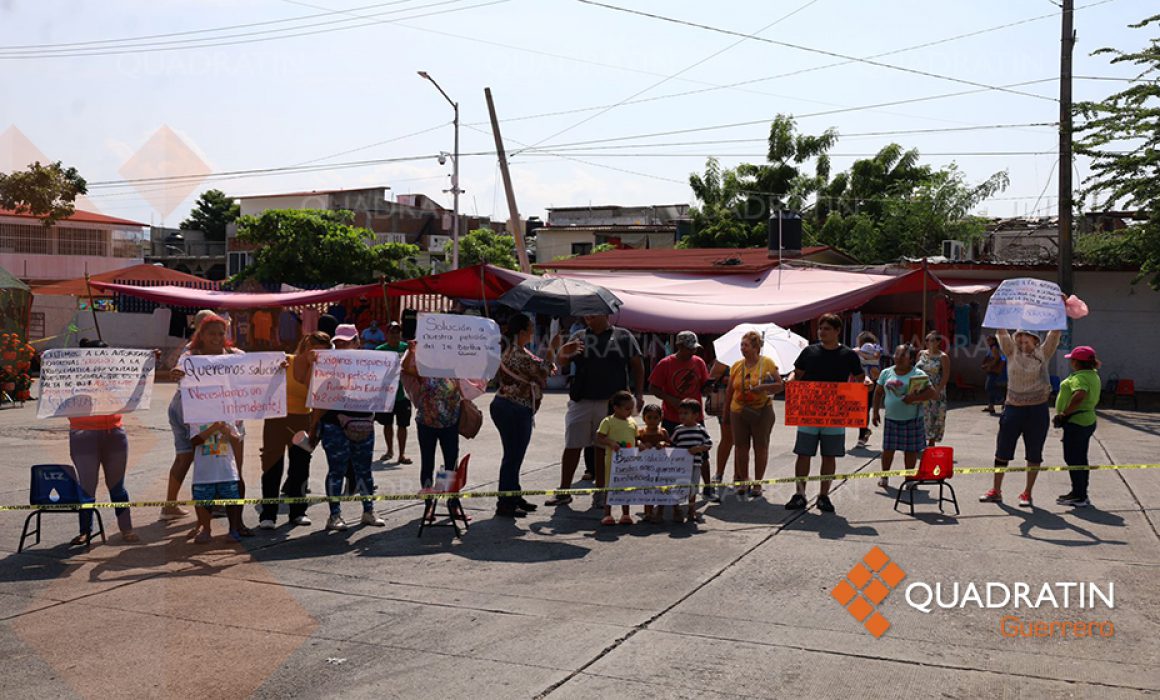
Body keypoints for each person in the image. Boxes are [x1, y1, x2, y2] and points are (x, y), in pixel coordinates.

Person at [546, 314, 644, 508]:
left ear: (606, 313)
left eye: (593, 312)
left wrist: (639, 395)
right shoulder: (579, 335)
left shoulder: (624, 336)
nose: (588, 316)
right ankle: (564, 491)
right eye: (586, 312)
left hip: (611, 402)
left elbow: (637, 366)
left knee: (602, 449)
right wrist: (563, 352)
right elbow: (561, 362)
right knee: (572, 445)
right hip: (581, 398)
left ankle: (600, 493)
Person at [163, 313, 245, 521]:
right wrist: (177, 373)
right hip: (196, 414)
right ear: (201, 332)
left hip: (218, 414)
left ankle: (231, 517)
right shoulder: (191, 355)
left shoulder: (233, 354)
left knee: (225, 458)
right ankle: (205, 515)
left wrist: (278, 367)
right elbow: (180, 371)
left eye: (221, 333)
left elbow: (256, 370)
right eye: (211, 333)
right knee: (199, 458)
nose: (216, 337)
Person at [789, 313, 865, 513]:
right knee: (803, 453)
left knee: (829, 455)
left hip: (835, 413)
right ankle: (800, 494)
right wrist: (790, 380)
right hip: (808, 411)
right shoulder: (809, 352)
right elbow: (796, 373)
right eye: (820, 328)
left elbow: (860, 377)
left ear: (837, 331)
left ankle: (824, 495)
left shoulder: (848, 355)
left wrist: (866, 384)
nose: (822, 332)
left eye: (827, 329)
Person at [980, 328, 1062, 507]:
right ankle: (996, 490)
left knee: (1034, 453)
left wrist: (1059, 309)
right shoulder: (1011, 352)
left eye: (1027, 342)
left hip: (1037, 410)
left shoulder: (1043, 353)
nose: (1023, 345)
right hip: (1013, 408)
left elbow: (1054, 335)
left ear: (1035, 341)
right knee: (1002, 450)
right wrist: (1000, 311)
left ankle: (1027, 493)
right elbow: (1001, 334)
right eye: (1020, 341)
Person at [258, 331, 330, 530]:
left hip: (301, 419)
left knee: (300, 466)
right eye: (315, 350)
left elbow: (313, 393)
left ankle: (298, 512)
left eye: (323, 352)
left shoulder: (320, 370)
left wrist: (313, 365)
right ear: (306, 345)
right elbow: (263, 383)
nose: (317, 354)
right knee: (272, 465)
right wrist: (275, 371)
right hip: (276, 418)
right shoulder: (285, 360)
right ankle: (268, 514)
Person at [317, 324, 386, 531]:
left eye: (347, 341)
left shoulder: (370, 364)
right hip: (333, 425)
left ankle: (368, 511)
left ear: (357, 342)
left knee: (364, 470)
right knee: (336, 470)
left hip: (362, 423)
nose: (342, 345)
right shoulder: (324, 363)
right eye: (338, 342)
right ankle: (334, 515)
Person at [69, 339, 138, 544]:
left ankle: (126, 529)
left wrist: (148, 363)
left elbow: (136, 384)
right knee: (87, 487)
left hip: (114, 434)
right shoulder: (71, 376)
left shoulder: (115, 376)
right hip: (83, 436)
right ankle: (85, 531)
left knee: (117, 486)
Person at [401, 341, 470, 524]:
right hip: (426, 423)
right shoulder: (424, 369)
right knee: (427, 465)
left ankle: (452, 504)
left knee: (450, 466)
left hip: (450, 425)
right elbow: (406, 369)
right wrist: (411, 350)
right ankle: (429, 506)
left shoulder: (456, 370)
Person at [491, 313, 550, 518]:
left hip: (510, 407)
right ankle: (505, 502)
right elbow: (543, 372)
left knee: (514, 455)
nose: (533, 331)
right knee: (513, 457)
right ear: (522, 331)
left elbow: (541, 367)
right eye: (531, 327)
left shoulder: (518, 351)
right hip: (513, 408)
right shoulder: (518, 354)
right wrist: (556, 352)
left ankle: (513, 495)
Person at [725, 330, 783, 498]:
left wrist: (763, 387)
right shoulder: (736, 365)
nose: (743, 348)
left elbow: (780, 385)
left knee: (761, 446)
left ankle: (757, 483)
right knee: (741, 447)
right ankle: (744, 480)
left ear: (756, 347)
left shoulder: (768, 364)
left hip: (762, 409)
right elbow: (730, 390)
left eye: (746, 345)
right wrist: (726, 413)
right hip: (739, 410)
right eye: (741, 345)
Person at [873, 344, 938, 489]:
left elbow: (932, 393)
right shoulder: (886, 373)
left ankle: (909, 478)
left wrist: (914, 398)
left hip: (912, 420)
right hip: (891, 419)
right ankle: (884, 476)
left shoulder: (918, 374)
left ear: (910, 358)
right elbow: (878, 392)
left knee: (910, 451)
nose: (898, 358)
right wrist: (875, 412)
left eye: (903, 355)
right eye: (896, 354)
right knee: (888, 449)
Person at [1054, 346, 1101, 508]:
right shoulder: (1093, 375)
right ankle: (1079, 492)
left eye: (1072, 360)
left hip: (1076, 422)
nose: (1071, 362)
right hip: (1087, 420)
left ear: (1077, 362)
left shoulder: (1080, 377)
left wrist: (1064, 414)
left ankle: (1079, 496)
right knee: (1080, 458)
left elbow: (1079, 394)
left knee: (1073, 459)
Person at [188, 420, 249, 543]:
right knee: (203, 501)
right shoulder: (196, 419)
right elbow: (195, 441)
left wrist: (224, 429)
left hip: (226, 471)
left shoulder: (228, 419)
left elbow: (236, 440)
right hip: (204, 473)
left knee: (231, 501)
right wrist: (213, 428)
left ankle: (233, 530)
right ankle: (206, 530)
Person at [648, 330, 710, 435]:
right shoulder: (665, 363)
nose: (693, 352)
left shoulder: (699, 362)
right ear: (679, 346)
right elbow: (653, 388)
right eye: (689, 349)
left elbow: (704, 385)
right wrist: (671, 400)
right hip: (672, 418)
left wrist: (710, 389)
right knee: (671, 448)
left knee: (697, 447)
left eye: (694, 349)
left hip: (695, 417)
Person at [595, 391, 638, 526]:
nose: (630, 411)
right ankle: (607, 514)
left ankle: (626, 514)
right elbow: (599, 437)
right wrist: (611, 443)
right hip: (613, 460)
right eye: (627, 409)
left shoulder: (632, 422)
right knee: (610, 486)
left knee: (626, 486)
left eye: (632, 408)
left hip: (628, 461)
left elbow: (636, 439)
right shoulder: (608, 421)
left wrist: (640, 446)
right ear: (616, 408)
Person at [374, 322, 413, 465]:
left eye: (397, 333)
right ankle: (389, 450)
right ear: (387, 334)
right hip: (386, 395)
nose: (395, 336)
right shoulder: (380, 350)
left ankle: (401, 454)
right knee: (387, 424)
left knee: (403, 425)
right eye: (392, 333)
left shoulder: (407, 348)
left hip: (403, 394)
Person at [670, 398, 713, 524]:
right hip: (680, 466)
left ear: (696, 415)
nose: (682, 416)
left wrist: (699, 448)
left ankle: (691, 510)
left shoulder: (700, 430)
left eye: (685, 413)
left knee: (693, 488)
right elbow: (671, 444)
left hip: (695, 465)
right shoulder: (678, 430)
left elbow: (709, 443)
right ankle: (676, 509)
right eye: (680, 413)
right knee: (678, 487)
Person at [917, 331, 951, 446]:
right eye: (926, 340)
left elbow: (945, 375)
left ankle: (931, 443)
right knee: (922, 416)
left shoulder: (943, 357)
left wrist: (937, 390)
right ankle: (920, 442)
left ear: (938, 342)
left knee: (934, 416)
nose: (928, 343)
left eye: (931, 340)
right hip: (921, 389)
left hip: (936, 390)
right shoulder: (921, 354)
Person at [637, 403, 669, 523]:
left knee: (661, 489)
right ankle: (648, 512)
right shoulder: (641, 432)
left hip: (661, 467)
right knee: (647, 489)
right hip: (645, 467)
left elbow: (671, 446)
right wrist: (641, 445)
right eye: (649, 417)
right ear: (643, 418)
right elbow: (634, 445)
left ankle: (660, 511)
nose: (652, 420)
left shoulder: (663, 432)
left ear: (660, 418)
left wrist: (664, 444)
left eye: (655, 417)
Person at [705, 360, 732, 502]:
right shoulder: (724, 359)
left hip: (748, 403)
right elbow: (711, 380)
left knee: (742, 442)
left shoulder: (759, 359)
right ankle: (719, 473)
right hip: (724, 402)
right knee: (728, 438)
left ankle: (739, 477)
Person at [854, 332, 882, 448]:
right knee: (863, 409)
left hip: (865, 380)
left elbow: (871, 357)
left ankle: (862, 435)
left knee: (863, 409)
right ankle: (864, 432)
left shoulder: (865, 348)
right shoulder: (877, 347)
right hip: (870, 380)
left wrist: (859, 352)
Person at [981, 335, 1007, 414]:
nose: (987, 341)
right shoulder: (991, 348)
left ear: (993, 340)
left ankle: (1001, 399)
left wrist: (988, 366)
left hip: (993, 371)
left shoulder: (994, 348)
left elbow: (997, 358)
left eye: (989, 340)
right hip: (992, 371)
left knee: (989, 387)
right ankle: (991, 406)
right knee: (991, 387)